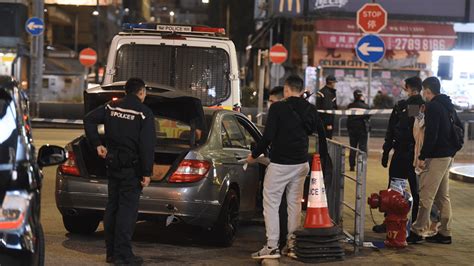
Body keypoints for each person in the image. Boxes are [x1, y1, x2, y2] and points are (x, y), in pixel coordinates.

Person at [248, 75, 328, 259]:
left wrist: (253, 155)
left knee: (271, 203)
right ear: (301, 89)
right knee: (294, 204)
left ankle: (272, 246)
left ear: (286, 89)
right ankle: (292, 245)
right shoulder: (310, 108)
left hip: (281, 164)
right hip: (301, 164)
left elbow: (267, 136)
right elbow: (320, 134)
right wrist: (322, 161)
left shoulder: (278, 108)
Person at [84, 78, 156, 264]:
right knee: (127, 211)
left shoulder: (111, 107)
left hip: (112, 164)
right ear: (141, 92)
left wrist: (97, 144)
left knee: (112, 208)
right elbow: (147, 146)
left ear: (126, 91)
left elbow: (89, 119)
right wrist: (147, 173)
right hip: (131, 169)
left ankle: (111, 253)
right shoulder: (144, 113)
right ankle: (123, 255)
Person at [407, 77, 463, 244]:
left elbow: (432, 134)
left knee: (426, 195)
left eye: (424, 91)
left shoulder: (432, 107)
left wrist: (423, 156)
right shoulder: (448, 105)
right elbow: (457, 127)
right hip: (448, 156)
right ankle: (445, 233)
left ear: (427, 91)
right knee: (442, 196)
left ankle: (417, 231)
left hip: (436, 157)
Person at [378, 76, 424, 233]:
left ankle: (415, 226)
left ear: (408, 88)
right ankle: (391, 221)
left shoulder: (415, 106)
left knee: (413, 191)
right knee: (395, 188)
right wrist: (386, 151)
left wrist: (387, 150)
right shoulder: (405, 106)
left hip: (411, 155)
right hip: (405, 154)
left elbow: (403, 128)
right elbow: (393, 129)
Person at [346, 90, 370, 172]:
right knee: (362, 148)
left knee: (352, 147)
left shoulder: (350, 105)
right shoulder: (365, 106)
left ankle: (352, 166)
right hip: (362, 129)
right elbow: (368, 115)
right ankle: (362, 166)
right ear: (361, 96)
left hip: (352, 129)